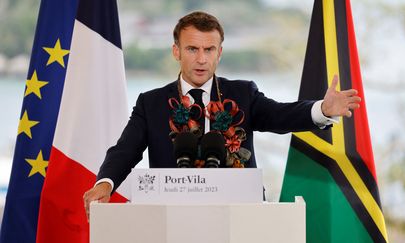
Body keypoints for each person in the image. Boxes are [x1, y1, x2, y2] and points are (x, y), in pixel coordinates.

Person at [83, 11, 360, 218]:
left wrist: (321, 110)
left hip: (240, 218)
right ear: (176, 51)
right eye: (192, 49)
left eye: (209, 49)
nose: (201, 59)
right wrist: (105, 183)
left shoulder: (242, 94)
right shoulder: (151, 102)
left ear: (220, 53)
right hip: (171, 220)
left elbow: (278, 115)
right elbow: (124, 151)